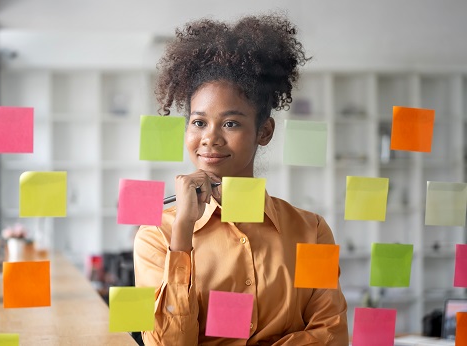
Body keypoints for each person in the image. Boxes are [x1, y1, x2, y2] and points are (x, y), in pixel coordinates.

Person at [133, 13, 349, 345]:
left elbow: (332, 335)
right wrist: (183, 233)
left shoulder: (311, 231)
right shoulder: (157, 235)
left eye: (231, 123)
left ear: (264, 131)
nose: (210, 138)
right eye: (199, 122)